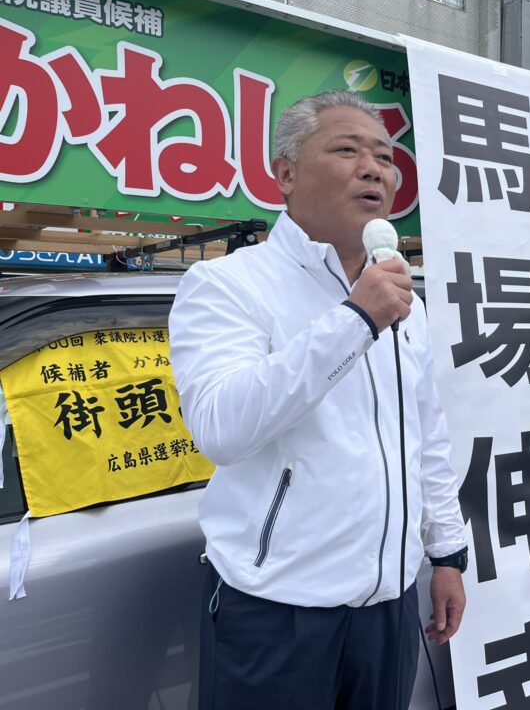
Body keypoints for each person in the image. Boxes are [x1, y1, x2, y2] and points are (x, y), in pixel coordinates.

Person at [169, 89, 468, 710]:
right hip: (277, 609)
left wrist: (446, 553)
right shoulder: (227, 285)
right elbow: (222, 428)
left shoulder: (404, 303)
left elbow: (426, 436)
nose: (374, 169)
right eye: (346, 149)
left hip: (387, 608)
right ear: (285, 173)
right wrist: (355, 319)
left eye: (385, 158)